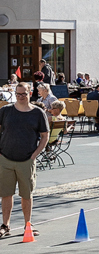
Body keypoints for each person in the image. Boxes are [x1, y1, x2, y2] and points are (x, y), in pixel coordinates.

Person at [0, 83, 50, 238]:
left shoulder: (38, 113)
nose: (21, 97)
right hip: (5, 158)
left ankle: (28, 223)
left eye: (24, 94)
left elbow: (45, 136)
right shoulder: (5, 111)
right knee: (6, 194)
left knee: (26, 195)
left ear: (30, 93)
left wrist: (34, 154)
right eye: (18, 94)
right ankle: (5, 225)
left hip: (27, 160)